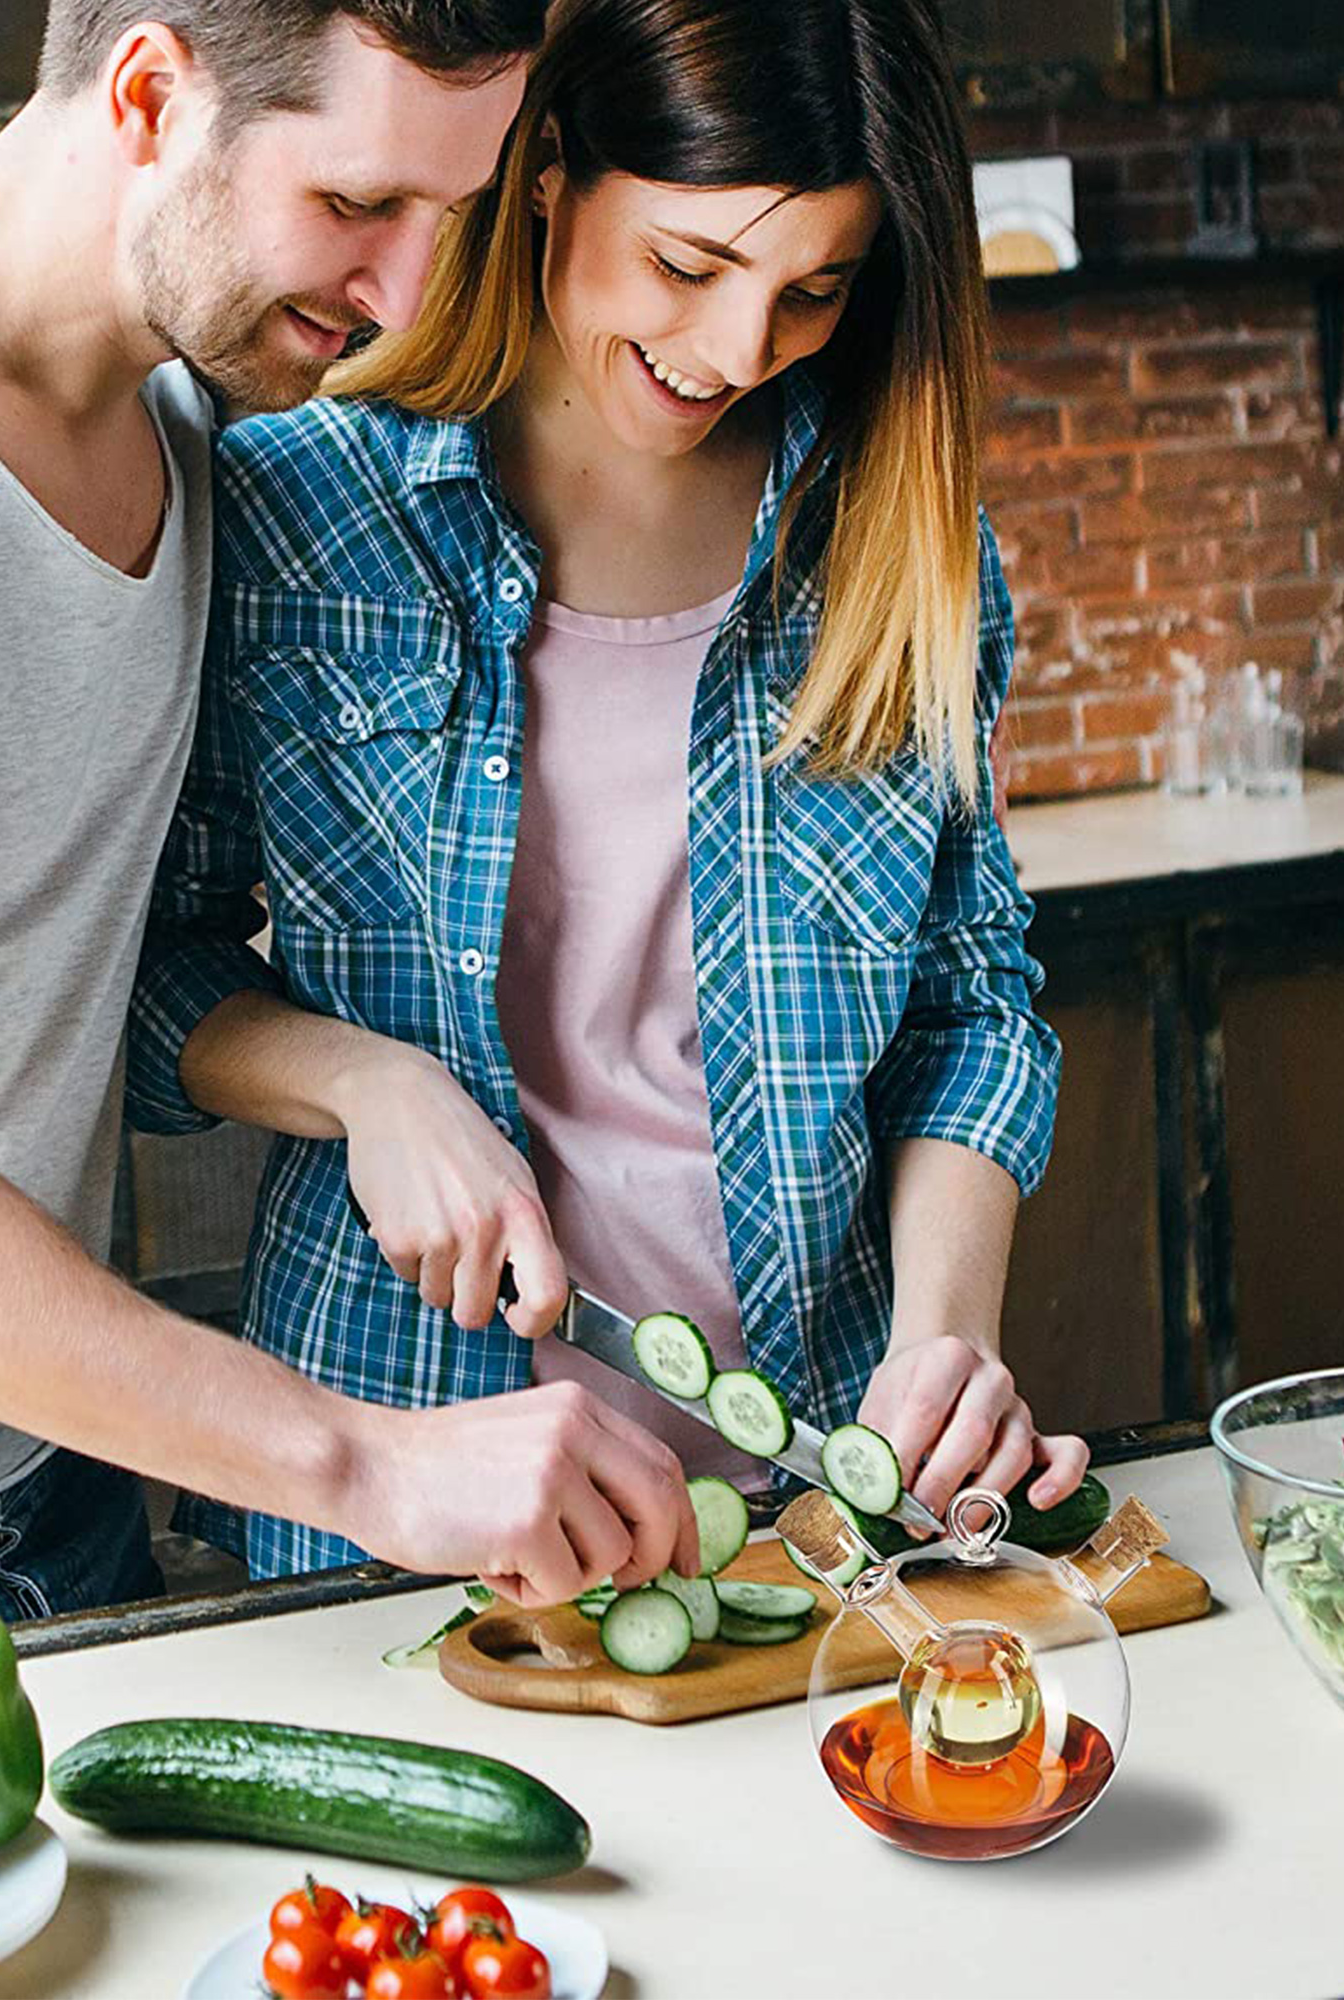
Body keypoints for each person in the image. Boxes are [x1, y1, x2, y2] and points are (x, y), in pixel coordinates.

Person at [0, 0, 702, 1658]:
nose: (405, 294)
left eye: (452, 217)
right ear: (147, 91)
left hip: (62, 1480)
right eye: (357, 207)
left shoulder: (193, 438)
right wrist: (368, 1463)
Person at [129, 0, 1088, 1583]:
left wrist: (942, 1345)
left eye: (812, 295)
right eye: (689, 269)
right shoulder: (299, 510)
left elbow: (970, 1006)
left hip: (816, 1502)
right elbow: (145, 976)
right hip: (408, 1471)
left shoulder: (898, 552)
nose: (734, 352)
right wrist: (366, 1084)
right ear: (552, 169)